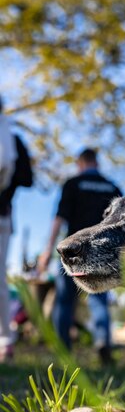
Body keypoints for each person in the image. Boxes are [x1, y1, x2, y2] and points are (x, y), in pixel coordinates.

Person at [38, 148, 122, 362]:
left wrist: (48, 250)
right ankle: (103, 341)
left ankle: (63, 351)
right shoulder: (111, 187)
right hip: (102, 253)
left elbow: (59, 218)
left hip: (72, 252)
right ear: (97, 162)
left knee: (65, 302)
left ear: (80, 163)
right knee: (99, 301)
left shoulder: (73, 184)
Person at [0, 95, 34, 362]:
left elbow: (26, 178)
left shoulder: (9, 137)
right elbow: (27, 178)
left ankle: (3, 342)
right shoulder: (12, 138)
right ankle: (4, 342)